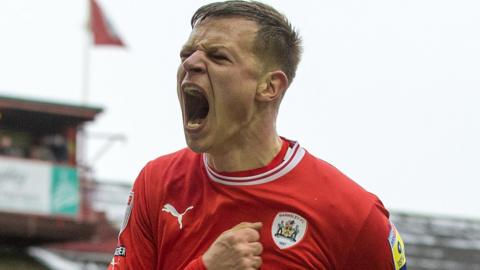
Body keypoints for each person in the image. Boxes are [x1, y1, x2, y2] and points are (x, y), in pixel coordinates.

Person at [108, 1, 407, 269]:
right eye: (187, 54)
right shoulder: (157, 183)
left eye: (218, 56)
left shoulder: (352, 214)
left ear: (269, 87)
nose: (190, 63)